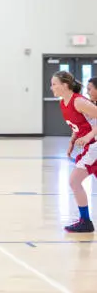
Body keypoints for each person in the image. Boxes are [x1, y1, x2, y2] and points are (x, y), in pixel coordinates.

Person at [52, 71, 97, 232]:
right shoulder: (63, 103)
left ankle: (85, 221)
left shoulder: (79, 101)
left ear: (65, 85)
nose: (52, 87)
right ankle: (85, 221)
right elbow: (77, 124)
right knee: (75, 182)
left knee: (74, 181)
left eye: (54, 84)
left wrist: (90, 135)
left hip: (94, 144)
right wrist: (72, 141)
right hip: (89, 144)